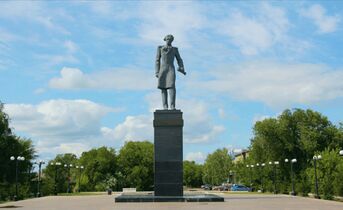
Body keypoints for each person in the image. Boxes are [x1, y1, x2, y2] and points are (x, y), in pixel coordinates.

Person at [155, 34, 186, 110]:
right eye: (168, 38)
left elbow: (179, 59)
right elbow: (157, 60)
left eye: (170, 39)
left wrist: (181, 67)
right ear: (165, 39)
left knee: (172, 87)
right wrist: (157, 71)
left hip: (171, 69)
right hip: (162, 69)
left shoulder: (175, 49)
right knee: (163, 88)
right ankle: (165, 106)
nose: (169, 40)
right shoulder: (160, 48)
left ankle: (172, 106)